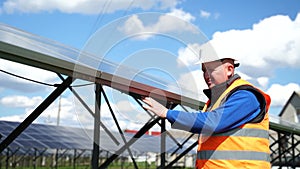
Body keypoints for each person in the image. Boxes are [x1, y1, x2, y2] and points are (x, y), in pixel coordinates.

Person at [142, 44, 271, 169]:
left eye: (211, 69)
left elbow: (213, 122)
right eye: (204, 70)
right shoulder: (215, 101)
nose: (206, 75)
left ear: (229, 70)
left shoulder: (246, 96)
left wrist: (167, 113)